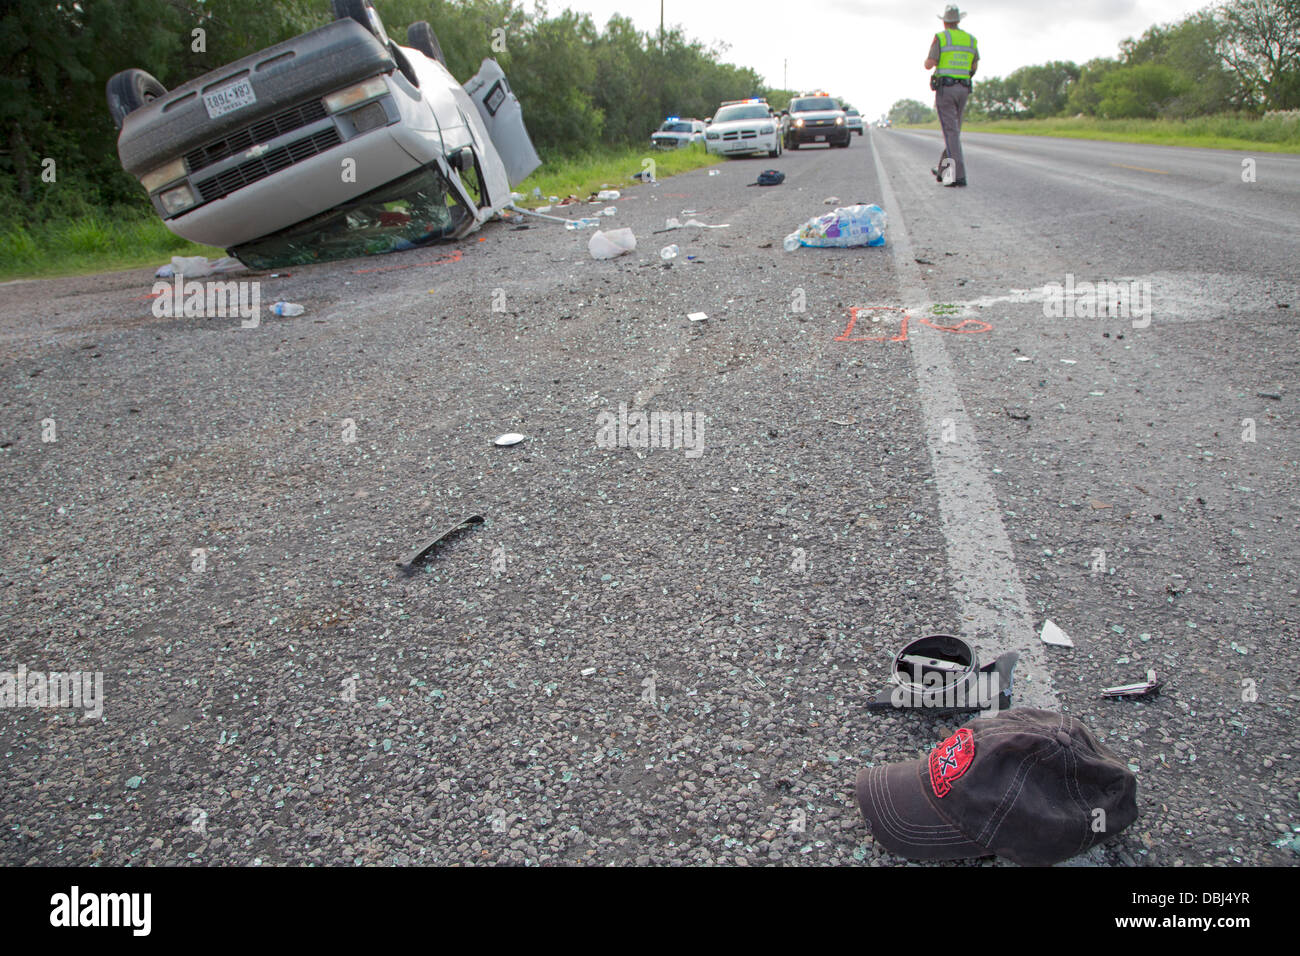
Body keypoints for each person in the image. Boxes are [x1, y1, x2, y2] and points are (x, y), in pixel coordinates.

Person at [924, 5, 978, 187]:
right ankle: (942, 170)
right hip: (964, 89)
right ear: (958, 21)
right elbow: (974, 66)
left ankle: (957, 175)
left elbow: (929, 64)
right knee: (954, 131)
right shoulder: (970, 39)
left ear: (945, 22)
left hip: (946, 89)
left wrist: (929, 61)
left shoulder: (941, 37)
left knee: (951, 132)